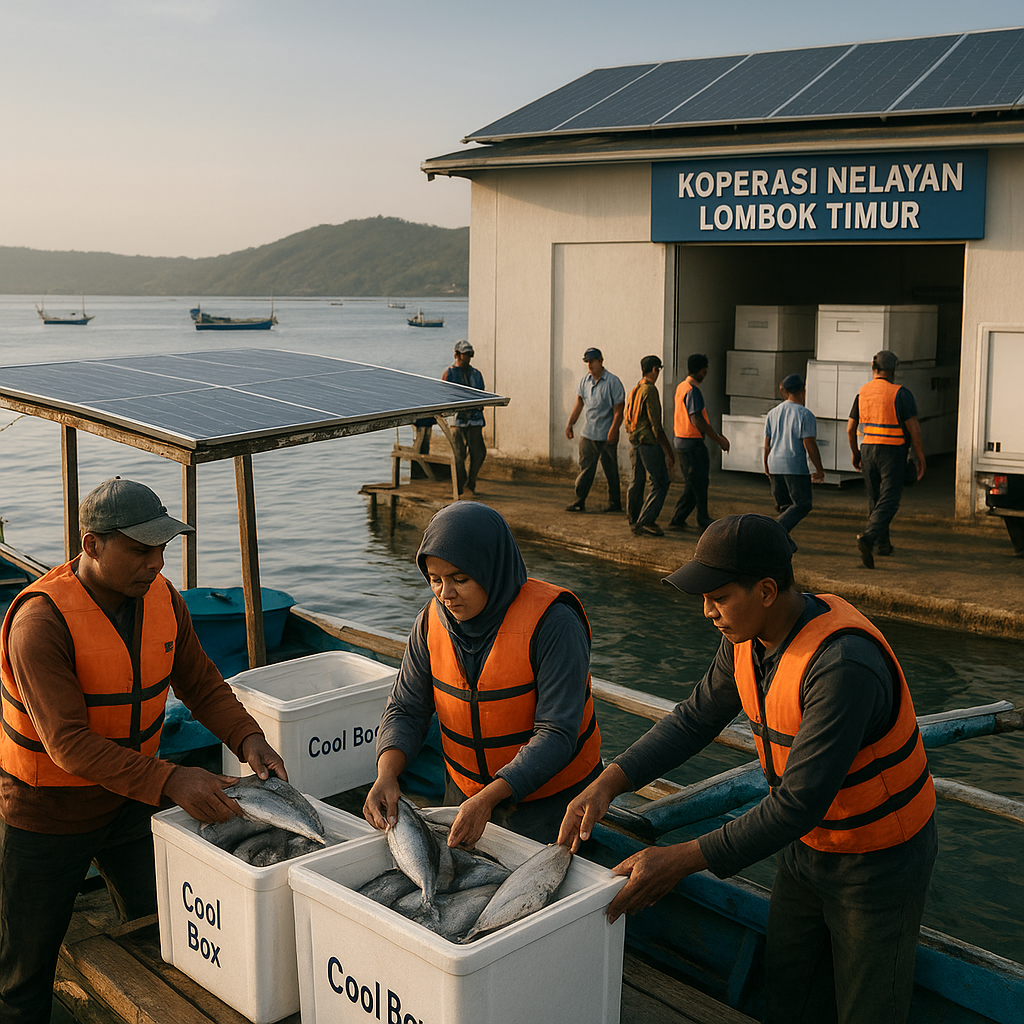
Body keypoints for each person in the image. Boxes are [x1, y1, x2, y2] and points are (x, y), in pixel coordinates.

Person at [559, 513, 937, 1024]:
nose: (707, 611)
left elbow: (798, 803)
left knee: (868, 1007)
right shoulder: (745, 638)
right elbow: (694, 720)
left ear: (764, 590)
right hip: (806, 851)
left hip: (879, 860)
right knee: (789, 990)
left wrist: (680, 860)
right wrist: (609, 781)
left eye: (718, 597)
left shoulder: (842, 664)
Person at [0, 477, 286, 1023]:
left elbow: (201, 683)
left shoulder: (163, 600)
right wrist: (173, 781)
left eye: (161, 547)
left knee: (163, 931)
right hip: (47, 814)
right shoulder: (40, 623)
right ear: (92, 545)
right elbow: (68, 744)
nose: (155, 562)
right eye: (138, 549)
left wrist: (249, 738)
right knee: (24, 969)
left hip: (129, 803)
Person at [364, 501, 602, 847]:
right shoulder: (430, 623)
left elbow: (557, 733)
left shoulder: (555, 623)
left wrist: (490, 799)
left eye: (460, 579)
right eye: (435, 580)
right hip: (465, 793)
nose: (446, 593)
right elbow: (406, 708)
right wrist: (386, 774)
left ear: (492, 569)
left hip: (554, 803)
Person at [847, 350, 926, 569]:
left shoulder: (862, 392)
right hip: (892, 451)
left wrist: (856, 453)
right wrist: (920, 457)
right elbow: (914, 429)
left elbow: (851, 428)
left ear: (874, 368)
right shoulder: (901, 393)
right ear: (893, 370)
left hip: (868, 448)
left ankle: (883, 544)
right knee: (889, 499)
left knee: (875, 498)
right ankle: (869, 538)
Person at [669, 353, 730, 534]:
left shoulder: (681, 387)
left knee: (693, 483)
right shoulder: (692, 390)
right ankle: (700, 518)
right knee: (699, 482)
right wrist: (718, 439)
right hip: (692, 442)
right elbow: (697, 420)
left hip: (681, 440)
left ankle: (680, 518)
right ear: (703, 370)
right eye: (705, 371)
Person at [564, 347, 625, 514]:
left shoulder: (613, 382)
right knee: (585, 468)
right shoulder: (584, 381)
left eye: (592, 361)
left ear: (601, 361)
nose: (589, 364)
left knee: (611, 470)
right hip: (588, 433)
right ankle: (579, 501)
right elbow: (579, 404)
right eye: (587, 362)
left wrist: (614, 430)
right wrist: (570, 424)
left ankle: (615, 503)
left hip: (607, 434)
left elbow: (619, 409)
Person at [764, 373, 826, 533]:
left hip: (775, 463)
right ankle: (776, 531)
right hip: (794, 465)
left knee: (785, 506)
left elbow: (767, 443)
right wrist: (818, 469)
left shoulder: (773, 413)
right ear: (803, 390)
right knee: (803, 503)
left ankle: (782, 543)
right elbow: (809, 443)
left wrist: (766, 464)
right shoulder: (805, 414)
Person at [624, 355, 675, 536]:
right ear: (654, 370)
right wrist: (668, 451)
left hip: (634, 442)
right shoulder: (650, 390)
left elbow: (627, 419)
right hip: (648, 443)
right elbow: (656, 425)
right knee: (661, 482)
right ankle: (646, 521)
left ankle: (634, 518)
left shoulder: (635, 389)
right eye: (658, 370)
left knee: (637, 481)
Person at [441, 339, 487, 496]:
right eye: (464, 354)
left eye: (469, 354)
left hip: (474, 419)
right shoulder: (449, 373)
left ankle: (471, 482)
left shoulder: (476, 374)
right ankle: (460, 485)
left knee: (479, 452)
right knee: (458, 455)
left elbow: (481, 394)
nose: (467, 357)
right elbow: (445, 396)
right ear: (456, 355)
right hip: (457, 421)